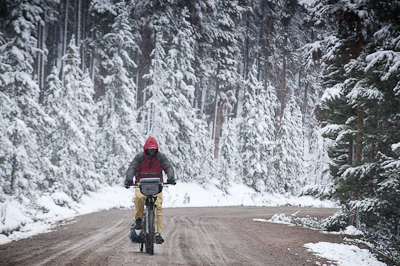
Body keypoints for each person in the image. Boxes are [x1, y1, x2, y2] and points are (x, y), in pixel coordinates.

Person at [125, 136, 176, 244]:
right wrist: (129, 179)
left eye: (154, 149)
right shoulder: (140, 157)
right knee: (139, 199)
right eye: (150, 149)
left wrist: (170, 177)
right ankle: (138, 219)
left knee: (158, 206)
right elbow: (132, 168)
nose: (152, 151)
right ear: (146, 149)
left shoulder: (161, 157)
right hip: (141, 184)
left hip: (156, 185)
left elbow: (168, 167)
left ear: (157, 149)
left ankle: (158, 233)